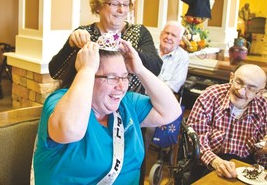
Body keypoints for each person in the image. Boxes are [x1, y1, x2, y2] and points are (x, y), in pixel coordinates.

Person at [33, 37, 182, 184]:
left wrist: (140, 70)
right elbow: (69, 130)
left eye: (124, 77)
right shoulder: (60, 100)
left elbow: (171, 111)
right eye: (111, 78)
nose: (121, 86)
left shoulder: (127, 104)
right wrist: (86, 70)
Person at [48, 0, 162, 93]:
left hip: (130, 106)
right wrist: (70, 45)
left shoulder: (139, 32)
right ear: (99, 5)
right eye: (114, 4)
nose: (121, 10)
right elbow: (55, 72)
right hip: (91, 106)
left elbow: (156, 68)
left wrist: (132, 53)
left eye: (126, 4)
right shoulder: (85, 34)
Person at [186, 64, 267, 182]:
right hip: (208, 164)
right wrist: (216, 162)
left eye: (251, 88)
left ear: (260, 92)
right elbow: (195, 140)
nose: (241, 91)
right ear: (231, 77)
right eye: (239, 82)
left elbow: (261, 158)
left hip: (245, 168)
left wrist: (266, 149)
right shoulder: (210, 96)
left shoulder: (265, 109)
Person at [158, 21, 189, 93]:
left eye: (173, 35)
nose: (168, 37)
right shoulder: (149, 49)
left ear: (179, 41)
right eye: (167, 33)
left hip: (162, 98)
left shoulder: (182, 57)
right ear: (160, 35)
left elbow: (173, 86)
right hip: (140, 94)